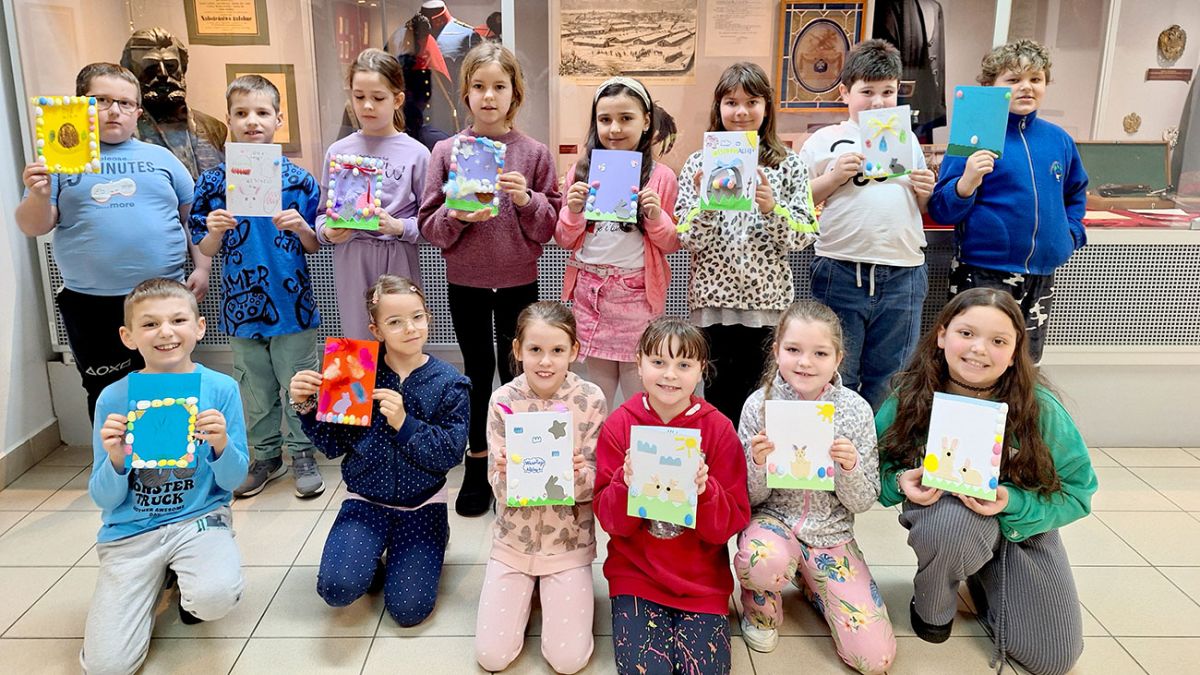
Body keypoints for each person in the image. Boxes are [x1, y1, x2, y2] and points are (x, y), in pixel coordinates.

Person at [876, 288, 1097, 674]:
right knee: (952, 525)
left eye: (998, 341)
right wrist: (899, 482)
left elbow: (1078, 493)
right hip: (946, 518)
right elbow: (869, 470)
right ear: (942, 335)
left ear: (1015, 352)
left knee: (1053, 659)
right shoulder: (910, 395)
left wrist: (1013, 502)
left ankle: (983, 574)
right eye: (966, 333)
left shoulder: (1041, 408)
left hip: (1021, 527)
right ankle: (933, 606)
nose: (979, 349)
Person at [15, 62, 209, 421]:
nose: (114, 111)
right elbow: (34, 226)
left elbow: (193, 218)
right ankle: (115, 456)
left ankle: (168, 455)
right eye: (101, 100)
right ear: (80, 106)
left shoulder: (162, 158)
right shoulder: (59, 163)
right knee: (106, 389)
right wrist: (38, 194)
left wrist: (202, 267)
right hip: (90, 302)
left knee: (168, 382)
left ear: (138, 112)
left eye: (125, 103)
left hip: (161, 297)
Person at [419, 42, 562, 517]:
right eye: (478, 86)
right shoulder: (447, 151)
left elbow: (549, 228)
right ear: (465, 93)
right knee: (478, 371)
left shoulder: (534, 153)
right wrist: (457, 214)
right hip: (467, 282)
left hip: (519, 281)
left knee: (519, 371)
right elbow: (429, 227)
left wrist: (527, 201)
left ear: (514, 94)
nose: (488, 96)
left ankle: (523, 463)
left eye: (499, 86)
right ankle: (478, 462)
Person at [83, 278, 248, 674]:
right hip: (131, 532)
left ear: (199, 327)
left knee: (213, 597)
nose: (166, 332)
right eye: (150, 324)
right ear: (128, 337)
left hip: (199, 518)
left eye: (177, 320)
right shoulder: (113, 397)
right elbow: (103, 498)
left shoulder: (221, 389)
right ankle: (157, 577)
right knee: (107, 668)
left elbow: (233, 480)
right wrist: (115, 459)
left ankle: (184, 576)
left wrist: (221, 444)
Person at [289, 276, 470, 627]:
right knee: (337, 588)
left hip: (422, 505)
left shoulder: (449, 382)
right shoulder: (354, 371)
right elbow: (332, 444)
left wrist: (405, 423)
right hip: (365, 503)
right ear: (376, 330)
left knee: (409, 611)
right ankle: (373, 556)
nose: (410, 328)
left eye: (417, 317)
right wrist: (306, 405)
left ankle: (431, 540)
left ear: (428, 318)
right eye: (395, 322)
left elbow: (449, 454)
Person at [733, 301, 895, 673]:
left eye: (820, 353)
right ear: (776, 351)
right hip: (773, 522)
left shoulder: (855, 410)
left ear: (838, 358)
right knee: (761, 559)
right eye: (793, 350)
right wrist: (757, 463)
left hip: (831, 533)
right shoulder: (759, 405)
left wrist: (849, 467)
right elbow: (747, 499)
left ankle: (810, 581)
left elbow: (863, 501)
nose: (805, 362)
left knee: (875, 658)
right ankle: (761, 610)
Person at [190, 74, 325, 499]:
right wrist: (215, 230)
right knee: (254, 387)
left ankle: (303, 451)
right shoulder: (212, 183)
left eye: (262, 112)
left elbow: (315, 245)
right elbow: (205, 246)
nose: (252, 121)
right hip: (241, 306)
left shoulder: (299, 180)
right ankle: (265, 455)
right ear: (228, 119)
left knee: (300, 382)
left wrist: (302, 227)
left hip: (292, 304)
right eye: (241, 113)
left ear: (278, 119)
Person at [594, 317, 750, 674]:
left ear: (701, 370)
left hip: (702, 582)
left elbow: (727, 525)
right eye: (658, 362)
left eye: (683, 364)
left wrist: (706, 491)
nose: (669, 375)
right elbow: (612, 523)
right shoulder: (620, 424)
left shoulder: (718, 429)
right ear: (639, 364)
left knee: (706, 670)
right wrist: (625, 482)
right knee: (646, 669)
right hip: (636, 576)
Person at [928, 39, 1089, 364]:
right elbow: (942, 208)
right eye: (1014, 79)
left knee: (1025, 363)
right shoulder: (973, 137)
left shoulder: (1058, 139)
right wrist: (966, 182)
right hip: (984, 271)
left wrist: (1071, 234)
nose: (1026, 87)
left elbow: (1075, 192)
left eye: (1035, 79)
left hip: (1041, 275)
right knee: (975, 359)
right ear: (991, 87)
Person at [674, 62, 818, 422]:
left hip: (767, 306)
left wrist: (772, 209)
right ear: (718, 107)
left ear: (767, 107)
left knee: (763, 403)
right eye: (731, 102)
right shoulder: (697, 164)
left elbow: (804, 235)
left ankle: (757, 460)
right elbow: (687, 238)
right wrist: (706, 205)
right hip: (713, 303)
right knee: (718, 402)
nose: (741, 112)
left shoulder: (789, 165)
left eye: (752, 102)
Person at [800, 39, 936, 410]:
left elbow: (919, 204)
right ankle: (835, 443)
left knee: (891, 379)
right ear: (845, 92)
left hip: (903, 272)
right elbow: (797, 200)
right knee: (834, 373)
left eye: (888, 92)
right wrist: (833, 177)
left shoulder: (908, 140)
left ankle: (878, 444)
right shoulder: (824, 140)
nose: (878, 102)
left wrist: (925, 191)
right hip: (840, 270)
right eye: (867, 92)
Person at [475, 302, 607, 673]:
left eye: (557, 350)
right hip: (513, 543)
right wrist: (505, 474)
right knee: (491, 656)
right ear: (517, 350)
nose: (545, 361)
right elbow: (497, 486)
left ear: (574, 351)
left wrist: (578, 473)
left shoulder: (591, 399)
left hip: (568, 545)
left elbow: (598, 482)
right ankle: (528, 584)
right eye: (535, 349)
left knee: (568, 660)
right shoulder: (504, 400)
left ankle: (551, 585)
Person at [556, 76, 679, 408]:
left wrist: (655, 216)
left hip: (637, 296)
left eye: (626, 118)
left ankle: (633, 442)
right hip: (591, 295)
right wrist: (573, 211)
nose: (614, 128)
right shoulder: (579, 172)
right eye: (605, 119)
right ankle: (597, 444)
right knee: (594, 399)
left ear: (646, 121)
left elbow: (671, 244)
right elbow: (564, 239)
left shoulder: (661, 177)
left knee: (639, 397)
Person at [316, 48, 431, 342]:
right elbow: (321, 216)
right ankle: (358, 378)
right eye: (359, 96)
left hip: (398, 255)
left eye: (378, 98)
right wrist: (328, 232)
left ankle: (401, 376)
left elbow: (431, 223)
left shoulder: (417, 153)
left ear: (398, 99)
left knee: (402, 338)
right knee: (357, 343)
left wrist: (399, 226)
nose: (367, 105)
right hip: (352, 256)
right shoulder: (338, 151)